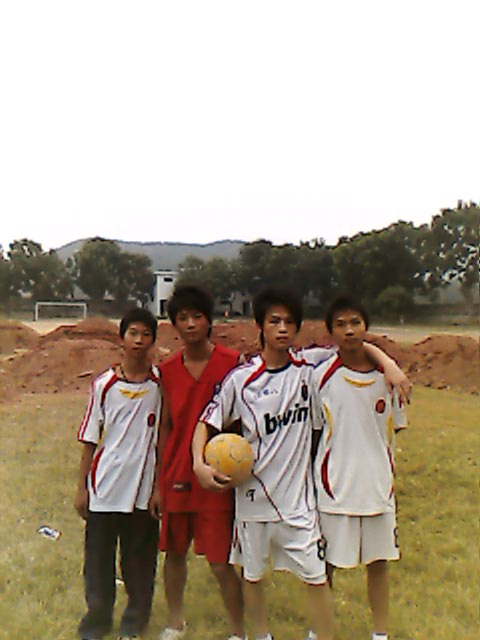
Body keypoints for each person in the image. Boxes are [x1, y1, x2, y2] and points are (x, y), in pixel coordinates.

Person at [193, 287, 335, 640]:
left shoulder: (309, 372)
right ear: (260, 326)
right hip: (252, 501)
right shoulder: (241, 380)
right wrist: (198, 464)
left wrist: (390, 367)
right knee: (253, 576)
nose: (282, 328)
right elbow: (205, 423)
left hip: (298, 504)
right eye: (274, 321)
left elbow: (355, 347)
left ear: (298, 327)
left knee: (317, 578)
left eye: (289, 322)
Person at [149, 285, 245, 640]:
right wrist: (158, 484)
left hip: (218, 476)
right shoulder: (167, 370)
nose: (190, 324)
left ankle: (237, 630)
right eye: (182, 318)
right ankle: (175, 622)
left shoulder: (233, 364)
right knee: (174, 554)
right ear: (174, 324)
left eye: (197, 316)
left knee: (220, 562)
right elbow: (166, 427)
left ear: (209, 320)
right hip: (177, 472)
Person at [312, 297, 408, 640]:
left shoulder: (390, 379)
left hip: (378, 488)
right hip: (334, 488)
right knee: (324, 566)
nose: (349, 330)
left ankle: (380, 633)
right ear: (330, 331)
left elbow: (396, 428)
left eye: (355, 322)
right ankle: (319, 630)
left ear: (366, 326)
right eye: (340, 324)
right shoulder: (320, 376)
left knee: (378, 564)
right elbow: (315, 429)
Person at [74, 308, 161, 640]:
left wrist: (158, 487)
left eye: (146, 334)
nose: (139, 340)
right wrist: (82, 487)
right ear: (121, 338)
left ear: (153, 341)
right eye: (133, 333)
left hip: (142, 489)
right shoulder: (104, 385)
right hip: (105, 487)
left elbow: (164, 436)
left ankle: (135, 621)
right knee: (99, 560)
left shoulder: (159, 385)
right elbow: (90, 439)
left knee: (139, 560)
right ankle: (97, 621)